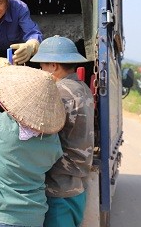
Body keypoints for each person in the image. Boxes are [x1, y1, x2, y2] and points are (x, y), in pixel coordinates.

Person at [0, 65, 65, 227]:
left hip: (0, 218)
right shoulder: (52, 138)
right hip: (35, 218)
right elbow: (56, 155)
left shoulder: (1, 127)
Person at [30, 36, 94, 227]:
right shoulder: (82, 89)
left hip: (59, 186)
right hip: (77, 182)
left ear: (54, 65)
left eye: (42, 67)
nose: (42, 71)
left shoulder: (59, 93)